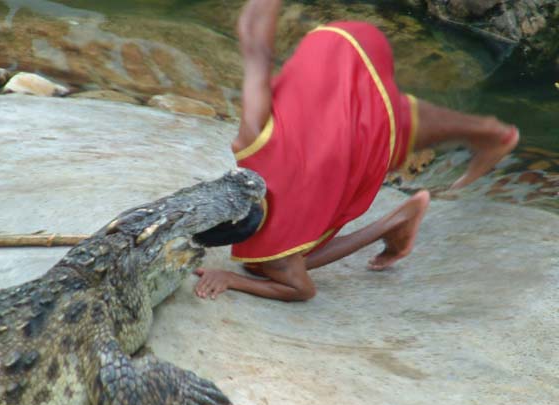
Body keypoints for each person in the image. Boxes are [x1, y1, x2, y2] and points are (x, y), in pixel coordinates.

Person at [194, 0, 519, 302]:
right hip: (338, 45)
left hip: (348, 72)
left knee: (389, 122)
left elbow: (301, 289)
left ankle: (490, 137)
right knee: (387, 121)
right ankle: (482, 143)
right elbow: (255, 43)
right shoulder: (249, 139)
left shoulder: (276, 250)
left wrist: (232, 279)